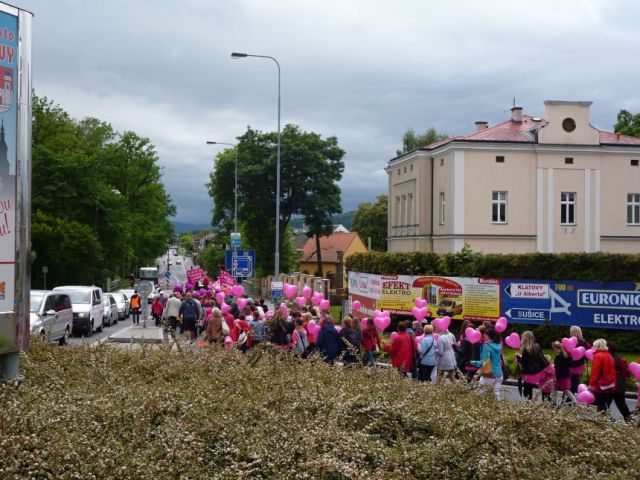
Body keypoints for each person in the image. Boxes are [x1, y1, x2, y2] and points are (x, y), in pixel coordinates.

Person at [471, 328, 503, 399]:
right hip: (499, 373)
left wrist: (474, 362)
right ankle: (498, 408)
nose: (483, 335)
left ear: (487, 336)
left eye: (484, 334)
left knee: (478, 394)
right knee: (497, 395)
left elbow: (484, 362)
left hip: (489, 374)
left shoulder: (486, 346)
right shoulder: (498, 346)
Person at [589, 338, 617, 413]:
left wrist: (591, 384)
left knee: (598, 405)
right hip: (610, 384)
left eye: (593, 346)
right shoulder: (609, 355)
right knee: (604, 405)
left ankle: (603, 421)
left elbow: (595, 372)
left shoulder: (598, 356)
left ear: (597, 346)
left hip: (600, 385)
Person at [517, 331, 548, 400]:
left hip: (528, 373)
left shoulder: (526, 349)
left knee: (527, 393)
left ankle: (529, 406)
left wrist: (518, 358)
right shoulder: (537, 346)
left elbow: (524, 362)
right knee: (530, 389)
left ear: (525, 339)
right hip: (536, 372)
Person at [606, 341, 632, 421]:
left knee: (604, 404)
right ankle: (629, 420)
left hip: (610, 385)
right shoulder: (620, 358)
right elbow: (627, 373)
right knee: (622, 405)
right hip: (620, 385)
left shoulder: (607, 358)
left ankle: (608, 420)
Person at [569, 326, 590, 394]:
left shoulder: (573, 342)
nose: (570, 333)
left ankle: (570, 400)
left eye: (571, 332)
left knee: (572, 383)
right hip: (580, 364)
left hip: (573, 364)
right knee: (575, 380)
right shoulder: (583, 342)